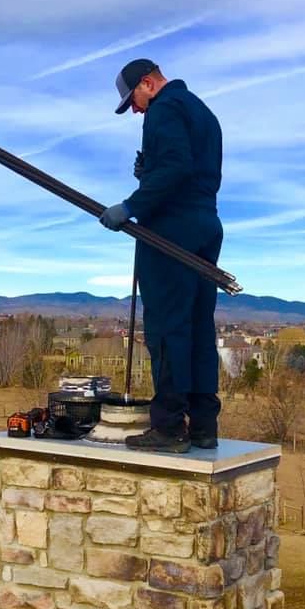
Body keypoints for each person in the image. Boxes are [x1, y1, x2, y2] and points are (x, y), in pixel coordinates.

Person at [99, 58, 223, 453]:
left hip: (170, 230)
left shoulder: (163, 108)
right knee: (199, 328)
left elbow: (175, 167)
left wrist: (132, 204)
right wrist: (148, 174)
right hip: (206, 225)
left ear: (148, 83)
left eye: (133, 99)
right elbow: (189, 171)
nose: (135, 109)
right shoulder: (203, 111)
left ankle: (168, 428)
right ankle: (204, 426)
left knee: (167, 329)